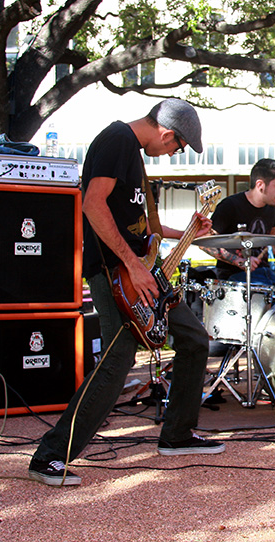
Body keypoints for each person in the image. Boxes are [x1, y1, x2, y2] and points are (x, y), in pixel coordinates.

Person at [28, 98, 224, 487]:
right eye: (178, 146)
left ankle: (177, 434)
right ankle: (50, 455)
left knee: (193, 339)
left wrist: (186, 231)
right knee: (117, 360)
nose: (174, 153)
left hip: (143, 271)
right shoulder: (117, 139)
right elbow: (92, 205)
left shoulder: (133, 154)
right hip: (114, 273)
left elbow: (139, 227)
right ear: (167, 134)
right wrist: (133, 266)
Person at [204, 158, 275, 286]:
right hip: (233, 278)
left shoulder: (272, 206)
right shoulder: (230, 206)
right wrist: (238, 261)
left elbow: (273, 233)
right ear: (260, 185)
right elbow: (206, 242)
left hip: (264, 273)